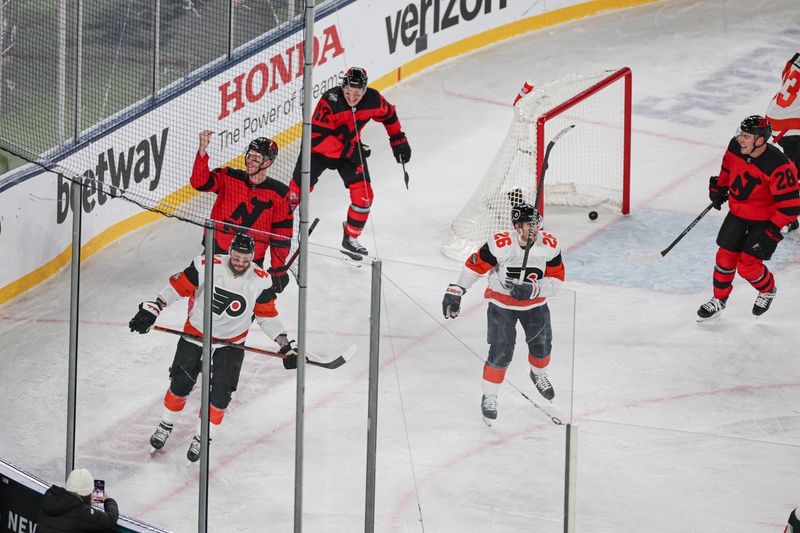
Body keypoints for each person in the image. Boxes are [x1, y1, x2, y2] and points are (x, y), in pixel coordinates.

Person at [128, 233, 298, 463]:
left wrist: (285, 345)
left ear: (252, 258)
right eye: (236, 258)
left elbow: (266, 316)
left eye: (245, 260)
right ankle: (165, 424)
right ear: (230, 252)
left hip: (230, 345)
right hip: (195, 334)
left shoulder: (261, 280)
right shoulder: (207, 264)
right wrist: (154, 307)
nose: (239, 263)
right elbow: (179, 287)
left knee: (220, 396)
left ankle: (202, 437)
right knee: (179, 384)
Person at [440, 202, 565, 425]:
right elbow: (474, 266)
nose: (534, 230)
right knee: (500, 352)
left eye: (537, 225)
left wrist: (533, 289)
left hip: (535, 306)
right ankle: (489, 396)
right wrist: (457, 290)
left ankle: (538, 374)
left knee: (543, 347)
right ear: (517, 226)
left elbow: (557, 281)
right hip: (502, 307)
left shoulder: (550, 245)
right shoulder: (501, 244)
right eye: (529, 225)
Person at [287, 66, 412, 261]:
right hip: (318, 151)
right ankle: (278, 226)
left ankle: (350, 238)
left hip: (350, 150)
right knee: (296, 192)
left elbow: (389, 115)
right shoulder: (331, 100)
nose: (352, 97)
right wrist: (349, 149)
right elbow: (316, 139)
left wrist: (398, 139)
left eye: (357, 93)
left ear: (364, 90)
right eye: (348, 92)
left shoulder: (373, 99)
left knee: (364, 197)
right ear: (342, 87)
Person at [698, 115, 800, 320]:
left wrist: (772, 232)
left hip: (764, 221)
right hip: (738, 214)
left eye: (746, 136)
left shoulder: (779, 166)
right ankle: (719, 300)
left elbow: (791, 206)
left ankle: (768, 289)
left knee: (748, 266)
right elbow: (727, 167)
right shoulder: (736, 147)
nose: (740, 139)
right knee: (724, 258)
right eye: (741, 134)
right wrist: (719, 188)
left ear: (760, 140)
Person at [191, 131, 293, 292]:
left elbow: (281, 236)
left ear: (267, 163)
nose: (249, 161)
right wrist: (202, 151)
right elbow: (199, 183)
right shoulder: (228, 176)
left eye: (256, 158)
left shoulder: (279, 194)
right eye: (249, 155)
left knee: (245, 310)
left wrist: (278, 269)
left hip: (250, 261)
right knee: (200, 298)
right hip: (216, 251)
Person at [766, 51, 800, 231]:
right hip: (792, 124)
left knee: (792, 170)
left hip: (776, 116)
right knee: (792, 174)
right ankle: (782, 216)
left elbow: (785, 77)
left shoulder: (796, 58)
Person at [37, 468, 119, 532]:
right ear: (88, 493)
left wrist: (84, 503)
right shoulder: (81, 511)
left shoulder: (50, 498)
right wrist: (108, 499)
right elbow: (110, 519)